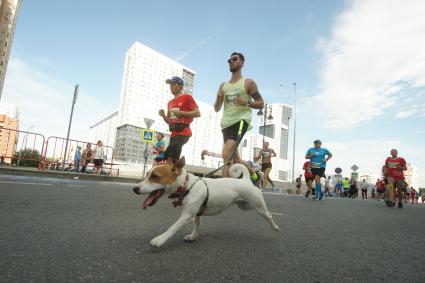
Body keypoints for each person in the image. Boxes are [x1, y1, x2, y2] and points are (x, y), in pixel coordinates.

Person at [214, 52, 264, 177]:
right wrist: (219, 99)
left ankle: (224, 187)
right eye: (229, 60)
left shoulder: (248, 83)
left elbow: (261, 103)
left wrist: (246, 102)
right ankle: (255, 176)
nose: (231, 61)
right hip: (225, 124)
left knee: (226, 153)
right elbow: (216, 108)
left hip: (240, 121)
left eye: (234, 59)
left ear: (242, 62)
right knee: (236, 159)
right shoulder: (223, 86)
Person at [159, 76, 200, 165]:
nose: (171, 87)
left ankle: (172, 175)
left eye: (173, 84)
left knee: (171, 158)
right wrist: (163, 116)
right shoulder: (170, 103)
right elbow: (170, 121)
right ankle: (177, 172)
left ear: (181, 86)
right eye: (170, 85)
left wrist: (181, 113)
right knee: (167, 157)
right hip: (173, 133)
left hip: (184, 132)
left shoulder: (187, 97)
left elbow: (197, 113)